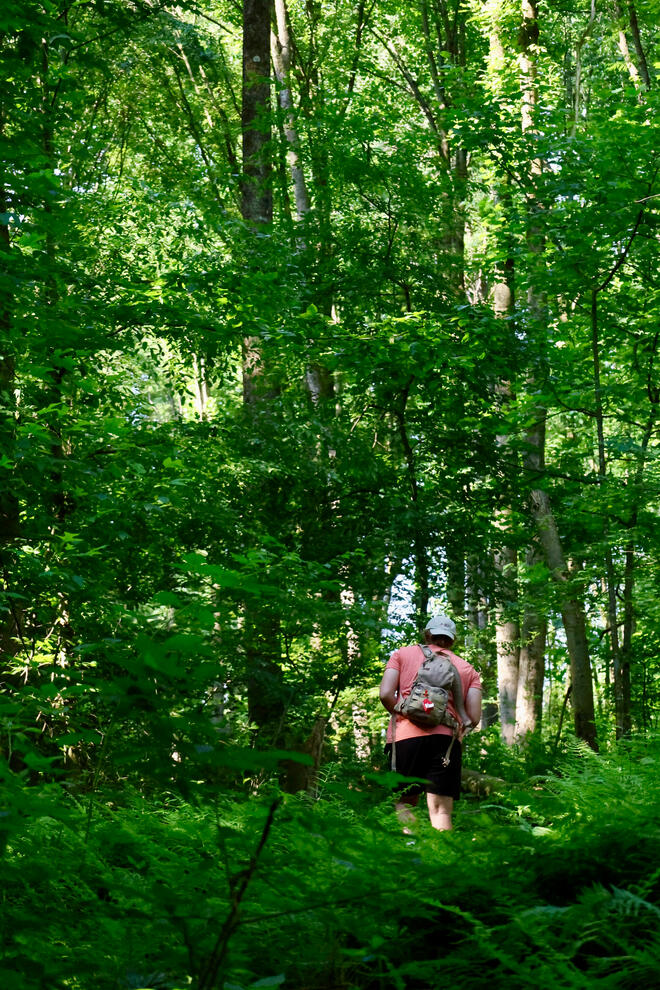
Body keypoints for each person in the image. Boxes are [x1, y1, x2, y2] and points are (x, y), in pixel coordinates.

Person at [379, 614, 482, 832]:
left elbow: (386, 694)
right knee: (441, 811)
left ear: (427, 635)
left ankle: (410, 851)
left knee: (404, 802)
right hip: (446, 742)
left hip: (405, 738)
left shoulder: (402, 654)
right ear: (452, 640)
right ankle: (442, 859)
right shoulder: (467, 669)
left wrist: (408, 714)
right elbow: (473, 717)